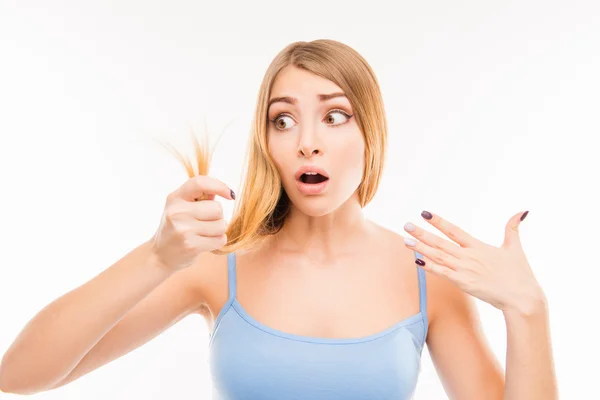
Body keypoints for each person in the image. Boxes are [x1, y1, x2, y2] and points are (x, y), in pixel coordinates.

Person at [0, 39, 557, 399]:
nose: (307, 143)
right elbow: (18, 375)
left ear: (371, 133)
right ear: (265, 141)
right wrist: (155, 258)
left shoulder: (428, 277)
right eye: (283, 120)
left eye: (334, 116)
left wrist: (527, 311)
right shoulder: (217, 268)